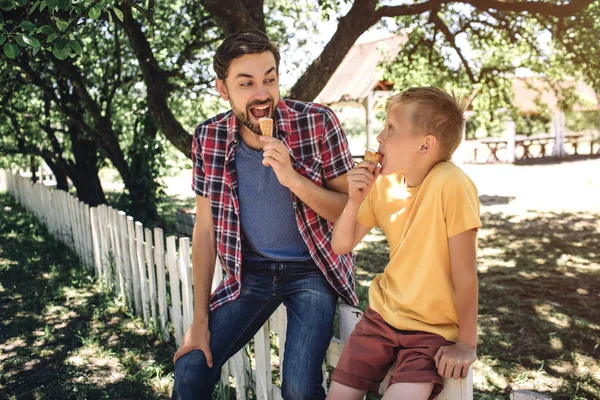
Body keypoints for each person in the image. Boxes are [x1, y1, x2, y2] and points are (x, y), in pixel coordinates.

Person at [172, 30, 357, 400]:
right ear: (222, 89)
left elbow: (350, 211)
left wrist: (292, 178)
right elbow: (204, 231)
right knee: (191, 368)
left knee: (300, 390)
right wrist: (199, 322)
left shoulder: (318, 123)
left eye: (269, 79)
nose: (262, 94)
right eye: (247, 83)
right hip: (249, 271)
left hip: (312, 270)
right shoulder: (207, 137)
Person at [327, 87, 481, 400]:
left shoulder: (452, 183)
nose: (380, 136)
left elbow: (465, 273)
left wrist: (466, 343)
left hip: (432, 331)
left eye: (392, 128)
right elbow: (341, 245)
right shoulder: (383, 184)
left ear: (426, 145)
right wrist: (355, 200)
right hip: (381, 318)